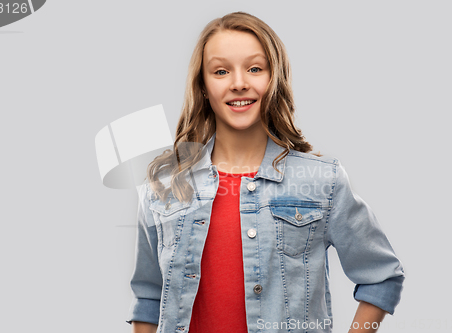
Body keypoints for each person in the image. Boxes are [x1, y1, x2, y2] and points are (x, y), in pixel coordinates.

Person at [126, 11, 404, 333]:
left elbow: (382, 276)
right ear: (202, 85)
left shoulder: (321, 182)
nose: (239, 83)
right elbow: (148, 298)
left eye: (255, 68)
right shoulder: (165, 186)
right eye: (220, 71)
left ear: (274, 78)